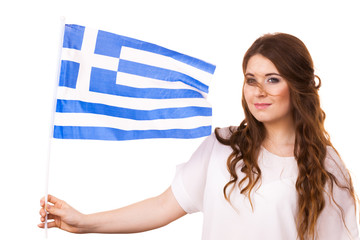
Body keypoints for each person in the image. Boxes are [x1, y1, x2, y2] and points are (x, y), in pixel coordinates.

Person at [38, 33, 360, 240]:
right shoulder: (224, 146)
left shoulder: (326, 167)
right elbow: (163, 206)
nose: (259, 91)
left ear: (298, 85)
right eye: (251, 79)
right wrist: (84, 222)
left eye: (272, 79)